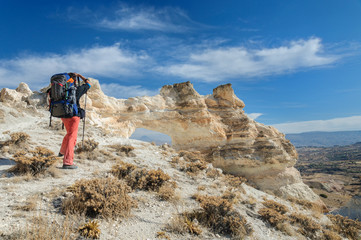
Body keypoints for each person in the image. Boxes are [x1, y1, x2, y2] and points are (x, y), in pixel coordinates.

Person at [59, 72, 91, 169]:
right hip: (73, 115)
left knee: (69, 134)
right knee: (72, 137)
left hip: (63, 115)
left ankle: (62, 152)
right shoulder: (77, 89)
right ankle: (68, 162)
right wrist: (81, 76)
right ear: (75, 80)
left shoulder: (62, 88)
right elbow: (88, 84)